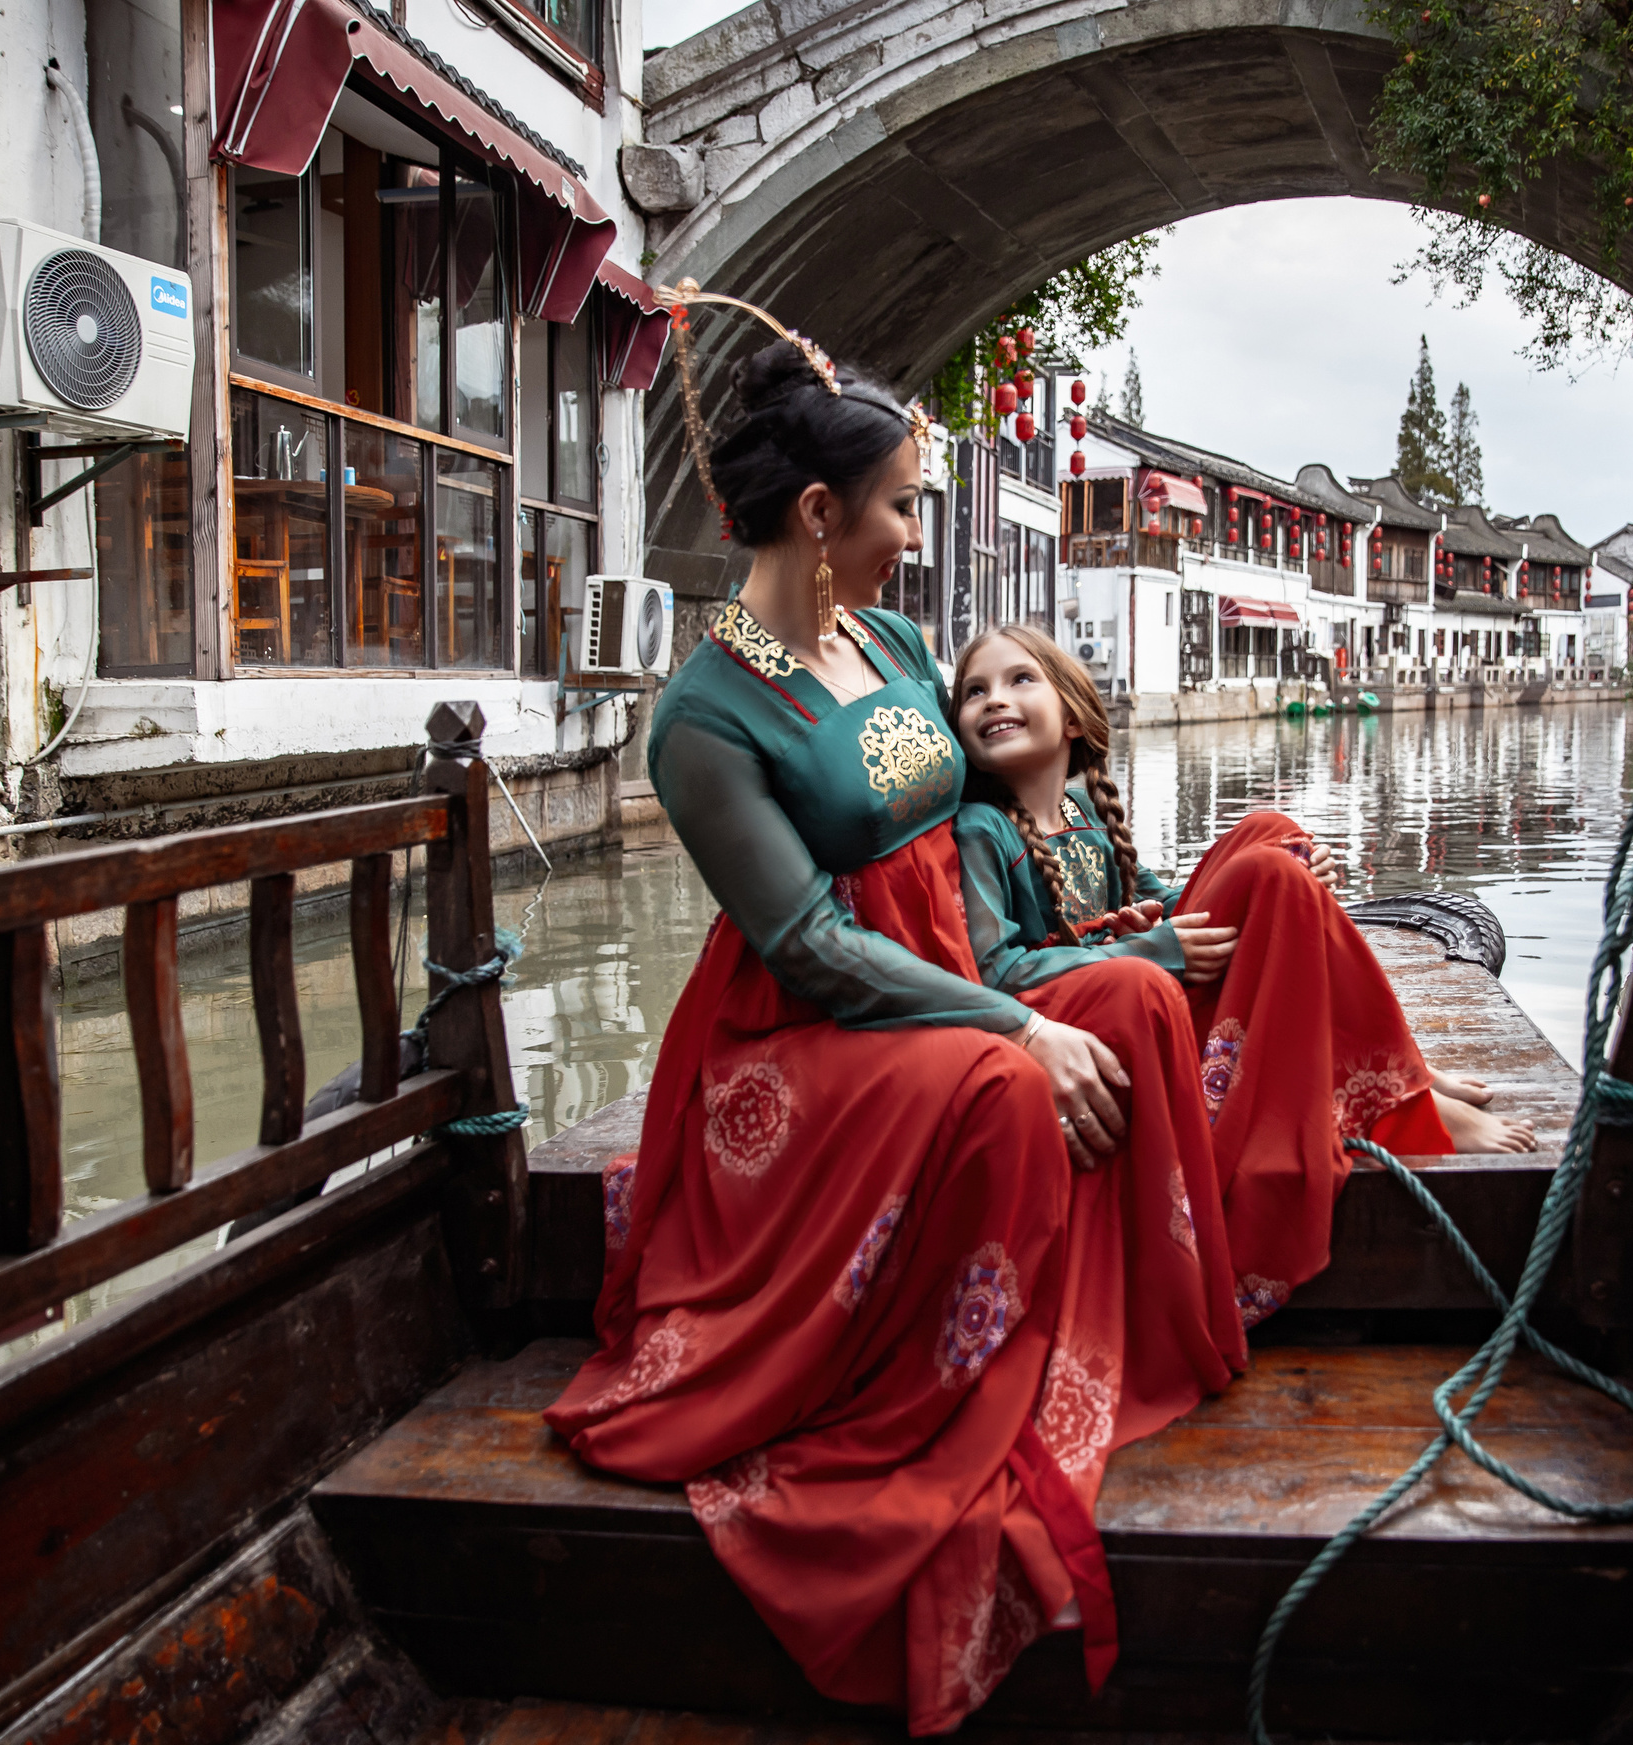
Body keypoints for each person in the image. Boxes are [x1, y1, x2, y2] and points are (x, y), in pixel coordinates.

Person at [543, 343, 1248, 1736]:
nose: (915, 537)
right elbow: (807, 946)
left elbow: (973, 817)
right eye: (902, 507)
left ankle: (1124, 1330)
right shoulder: (702, 717)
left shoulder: (898, 643)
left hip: (939, 977)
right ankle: (953, 1382)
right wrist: (1011, 1020)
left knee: (1134, 999)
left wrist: (1097, 919)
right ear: (819, 515)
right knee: (1005, 1072)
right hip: (808, 1039)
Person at [948, 626, 1537, 1328]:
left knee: (1268, 832)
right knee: (1264, 873)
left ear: (1072, 715)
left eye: (1019, 681)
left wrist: (1284, 874)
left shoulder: (1084, 818)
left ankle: (1402, 1070)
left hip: (1144, 979)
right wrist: (1153, 950)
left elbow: (1167, 898)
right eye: (974, 691)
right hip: (1102, 1021)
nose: (993, 700)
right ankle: (1402, 1098)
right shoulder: (985, 828)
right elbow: (998, 970)